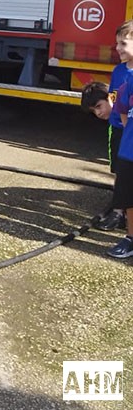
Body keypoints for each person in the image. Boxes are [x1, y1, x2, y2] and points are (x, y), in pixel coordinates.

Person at [81, 81, 127, 231]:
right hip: (117, 139)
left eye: (99, 106)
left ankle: (119, 212)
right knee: (119, 172)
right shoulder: (113, 126)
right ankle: (119, 211)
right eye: (94, 110)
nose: (98, 113)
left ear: (111, 97)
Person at [106, 20, 133, 259]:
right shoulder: (120, 72)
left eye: (123, 43)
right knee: (124, 182)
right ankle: (123, 221)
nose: (118, 48)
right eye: (117, 44)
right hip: (125, 138)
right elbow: (117, 99)